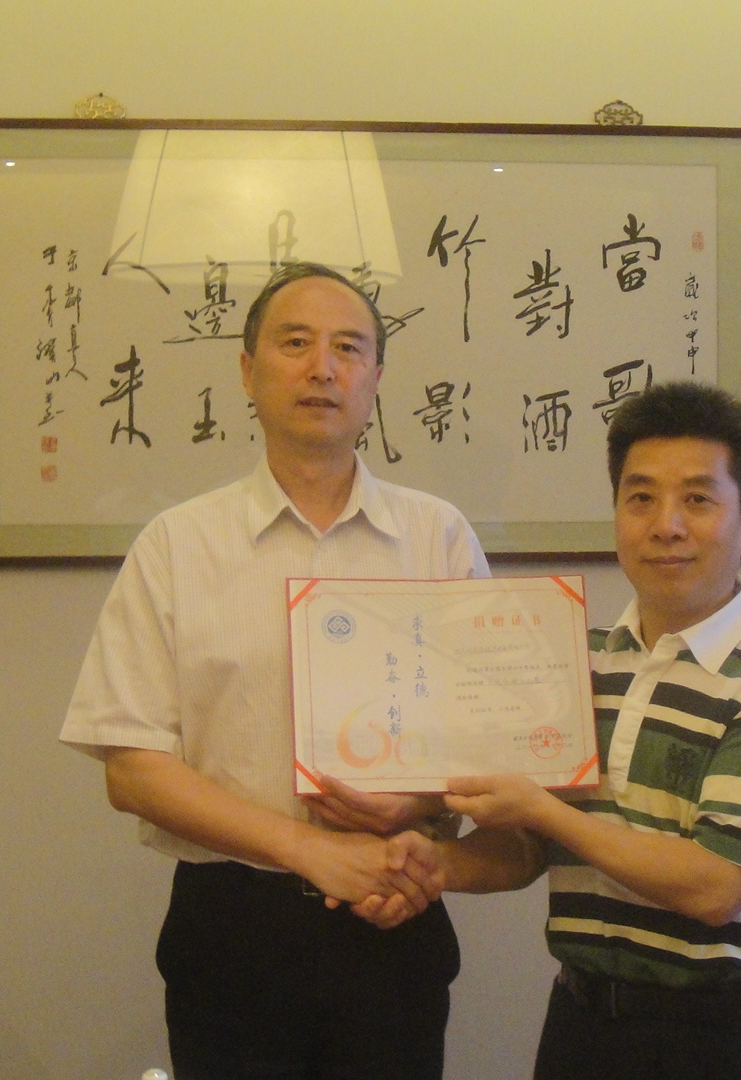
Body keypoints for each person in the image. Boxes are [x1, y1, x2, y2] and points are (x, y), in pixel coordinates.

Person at [59, 262, 483, 1080]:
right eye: (296, 344)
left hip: (395, 906)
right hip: (233, 927)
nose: (323, 368)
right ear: (248, 371)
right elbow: (132, 768)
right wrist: (306, 849)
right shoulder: (178, 544)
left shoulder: (439, 537)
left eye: (348, 349)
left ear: (376, 378)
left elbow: (487, 735)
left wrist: (419, 805)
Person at [420, 381, 741, 1080]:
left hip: (718, 1042)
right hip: (580, 1027)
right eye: (640, 498)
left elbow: (713, 887)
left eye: (697, 500)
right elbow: (530, 847)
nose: (665, 525)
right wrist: (436, 866)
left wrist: (542, 810)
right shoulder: (576, 661)